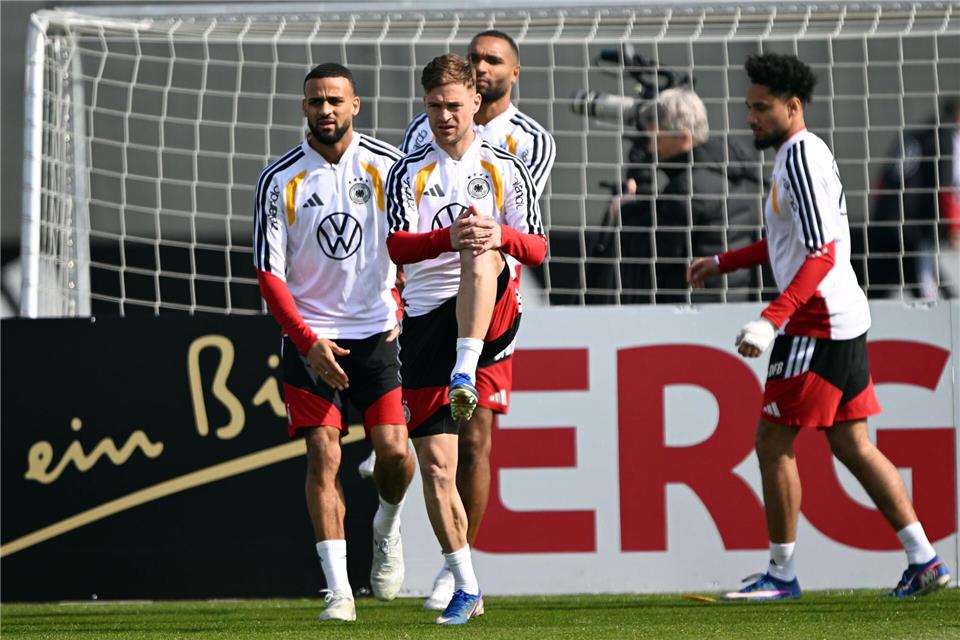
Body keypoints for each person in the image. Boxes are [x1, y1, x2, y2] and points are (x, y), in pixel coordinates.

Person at [687, 53, 951, 600]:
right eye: (748, 107)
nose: (751, 118)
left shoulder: (800, 159)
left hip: (817, 323)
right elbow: (787, 242)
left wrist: (771, 319)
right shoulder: (796, 155)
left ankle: (782, 574)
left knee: (771, 441)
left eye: (761, 108)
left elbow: (823, 252)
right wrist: (724, 263)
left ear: (793, 106)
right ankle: (924, 558)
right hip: (839, 316)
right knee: (852, 443)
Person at [363, 29, 557, 611]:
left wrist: (495, 233)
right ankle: (464, 582)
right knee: (436, 467)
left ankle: (467, 371)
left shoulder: (508, 166)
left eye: (454, 104)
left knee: (483, 247)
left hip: (490, 315)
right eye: (433, 106)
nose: (444, 116)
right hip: (425, 321)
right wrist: (445, 237)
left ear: (476, 100)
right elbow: (397, 248)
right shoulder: (407, 170)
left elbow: (540, 249)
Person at [253, 62, 415, 622]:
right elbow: (269, 274)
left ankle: (387, 525)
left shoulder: (390, 167)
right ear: (304, 107)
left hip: (376, 333)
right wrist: (305, 340)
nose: (326, 109)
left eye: (335, 100)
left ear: (355, 105)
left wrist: (403, 306)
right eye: (316, 100)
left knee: (395, 454)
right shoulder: (279, 181)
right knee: (324, 455)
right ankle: (340, 593)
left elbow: (413, 245)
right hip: (311, 342)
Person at [595, 88, 762, 304]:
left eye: (656, 137)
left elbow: (654, 256)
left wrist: (627, 210)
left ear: (683, 137)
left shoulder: (688, 187)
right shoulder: (727, 169)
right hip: (728, 302)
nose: (651, 146)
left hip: (692, 311)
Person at [868, 98, 960, 300]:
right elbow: (945, 187)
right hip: (912, 227)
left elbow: (882, 181)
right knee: (928, 289)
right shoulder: (946, 136)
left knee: (877, 289)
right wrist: (954, 226)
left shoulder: (915, 134)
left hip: (884, 219)